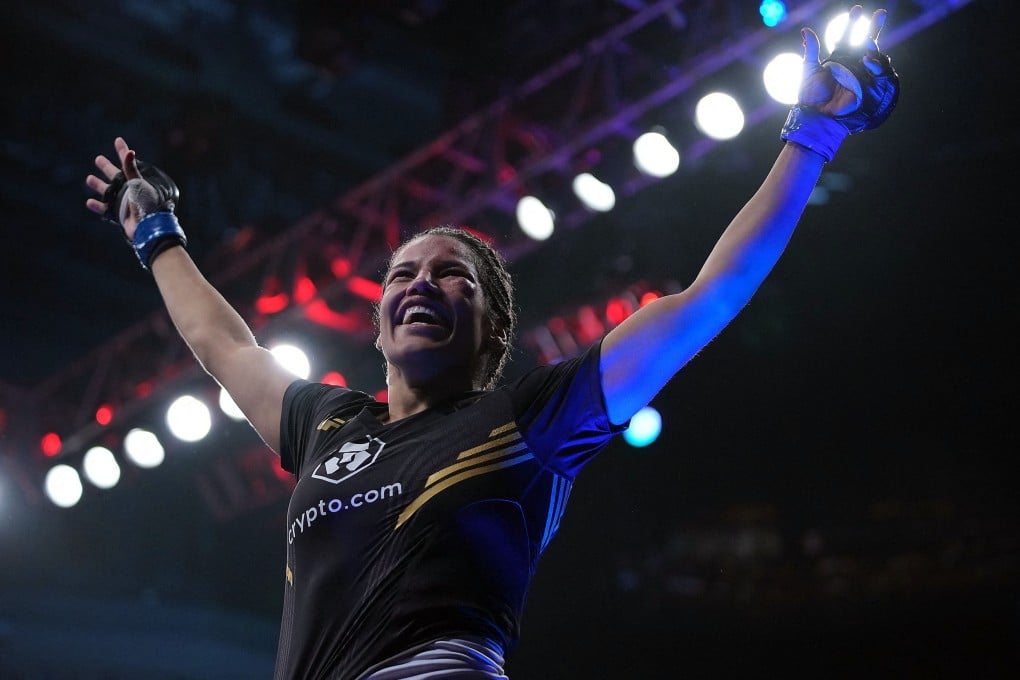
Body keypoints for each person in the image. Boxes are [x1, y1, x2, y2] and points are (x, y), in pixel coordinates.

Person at [84, 6, 899, 679]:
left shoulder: (534, 415)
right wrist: (155, 232)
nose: (419, 285)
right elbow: (223, 345)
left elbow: (709, 296)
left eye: (452, 276)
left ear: (495, 329)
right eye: (403, 274)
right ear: (376, 324)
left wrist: (814, 134)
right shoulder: (330, 427)